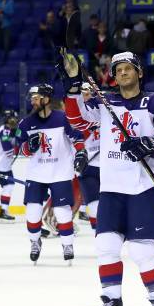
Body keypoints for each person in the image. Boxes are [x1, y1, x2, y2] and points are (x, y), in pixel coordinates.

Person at [57, 49, 154, 306]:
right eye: (117, 70)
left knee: (141, 249)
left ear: (139, 72)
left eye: (128, 68)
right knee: (106, 247)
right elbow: (77, 121)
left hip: (143, 187)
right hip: (112, 188)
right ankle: (112, 305)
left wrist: (152, 144)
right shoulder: (105, 102)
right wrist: (73, 85)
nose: (122, 73)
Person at [15, 84, 88, 264]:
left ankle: (67, 244)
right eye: (31, 98)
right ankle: (35, 241)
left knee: (63, 213)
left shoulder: (63, 118)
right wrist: (27, 147)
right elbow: (19, 149)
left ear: (47, 99)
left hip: (60, 173)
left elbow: (77, 137)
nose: (33, 101)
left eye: (37, 97)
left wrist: (80, 152)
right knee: (32, 212)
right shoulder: (25, 123)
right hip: (36, 174)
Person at [63, 82, 101, 231]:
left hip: (102, 165)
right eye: (83, 94)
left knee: (96, 202)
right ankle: (60, 221)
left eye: (88, 93)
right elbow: (74, 137)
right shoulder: (73, 116)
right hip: (80, 163)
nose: (86, 96)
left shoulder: (100, 111)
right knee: (72, 196)